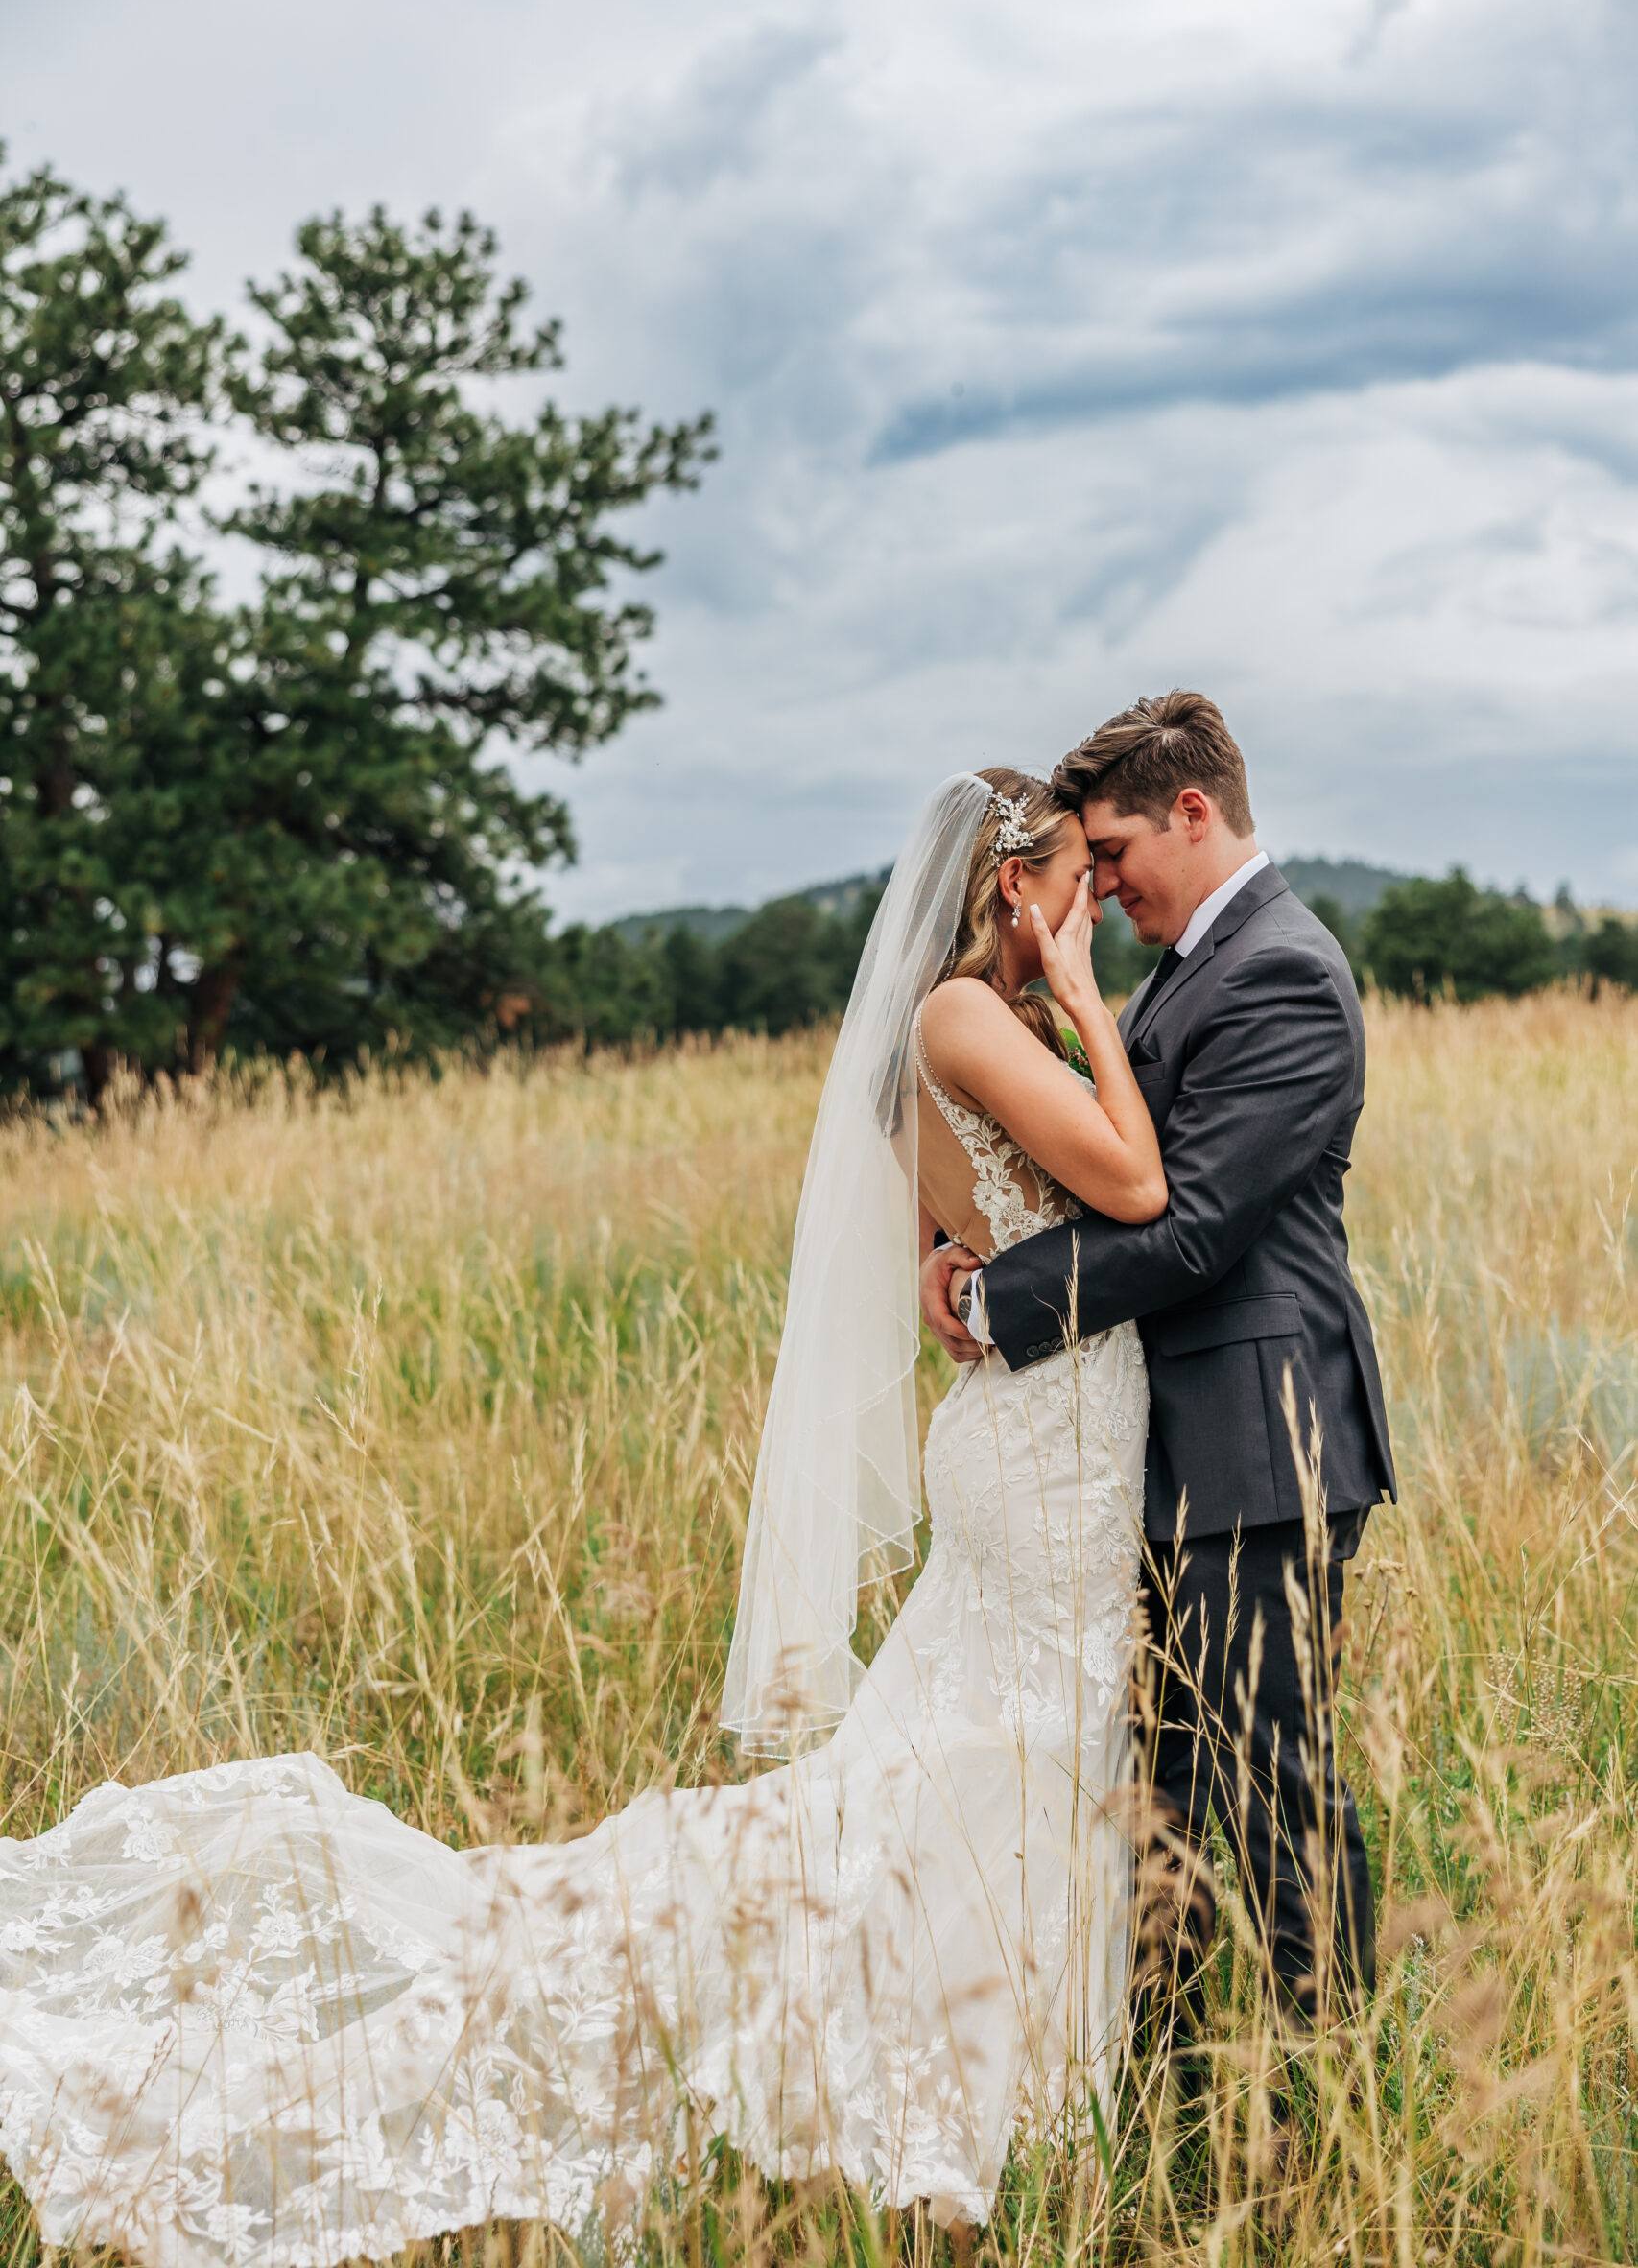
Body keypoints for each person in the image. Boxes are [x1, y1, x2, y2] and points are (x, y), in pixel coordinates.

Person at [0, 768, 1161, 2268]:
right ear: (1020, 890)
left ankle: (1003, 2070)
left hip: (1041, 1425)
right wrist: (1093, 1010)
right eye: (1077, 885)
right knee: (997, 1749)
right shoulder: (963, 1018)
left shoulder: (969, 1032)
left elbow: (963, 1243)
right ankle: (923, 2073)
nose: (1093, 913)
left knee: (989, 1754)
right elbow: (1130, 1184)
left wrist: (969, 1246)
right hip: (1039, 1447)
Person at [921, 692, 1396, 2030]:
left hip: (1263, 1442)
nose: (1105, 880)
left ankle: (1326, 2092)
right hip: (1165, 1444)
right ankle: (1176, 2079)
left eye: (1119, 848)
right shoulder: (1193, 963)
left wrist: (1000, 1300)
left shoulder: (1283, 971)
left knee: (1272, 1785)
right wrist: (945, 1249)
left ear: (1195, 812)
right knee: (1173, 1789)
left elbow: (1189, 1234)